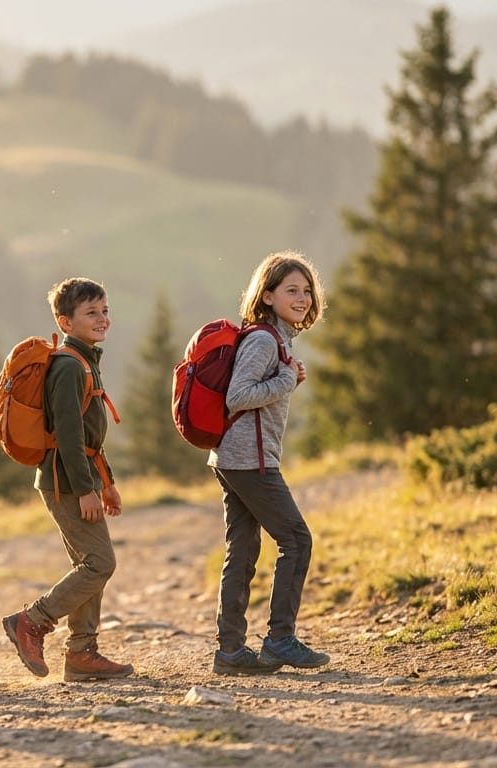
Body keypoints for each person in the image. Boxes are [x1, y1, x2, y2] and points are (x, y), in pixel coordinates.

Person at [2, 277, 134, 683]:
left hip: (77, 476)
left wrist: (105, 482)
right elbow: (69, 435)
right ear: (65, 321)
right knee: (99, 563)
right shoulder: (68, 365)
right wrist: (86, 490)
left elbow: (91, 435)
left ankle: (81, 654)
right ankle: (32, 620)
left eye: (105, 310)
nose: (102, 319)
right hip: (64, 482)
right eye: (91, 313)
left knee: (88, 563)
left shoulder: (85, 359)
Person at [208, 250, 328, 675]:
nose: (302, 298)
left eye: (307, 290)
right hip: (248, 459)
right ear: (268, 294)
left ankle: (231, 652)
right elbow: (238, 396)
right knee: (297, 540)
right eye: (291, 290)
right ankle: (279, 639)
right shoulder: (263, 339)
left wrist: (284, 376)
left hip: (236, 456)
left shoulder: (277, 338)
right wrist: (286, 379)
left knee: (243, 549)